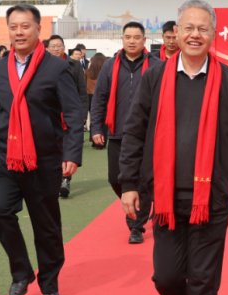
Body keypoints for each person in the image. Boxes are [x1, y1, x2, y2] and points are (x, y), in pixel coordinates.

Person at [117, 0, 228, 295]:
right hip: (166, 199)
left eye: (203, 28)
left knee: (204, 280)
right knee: (167, 278)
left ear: (214, 34)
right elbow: (135, 132)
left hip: (213, 197)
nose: (195, 35)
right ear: (176, 32)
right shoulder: (156, 77)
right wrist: (129, 184)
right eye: (189, 27)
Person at [0, 4, 84, 295]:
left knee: (45, 225)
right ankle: (22, 272)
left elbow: (73, 114)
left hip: (45, 159)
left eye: (25, 26)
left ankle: (49, 284)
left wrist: (72, 152)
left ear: (39, 29)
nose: (19, 32)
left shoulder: (56, 68)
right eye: (14, 27)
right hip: (6, 156)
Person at [90, 22, 160, 243]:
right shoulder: (110, 66)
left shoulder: (157, 66)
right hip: (117, 131)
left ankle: (136, 225)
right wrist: (96, 128)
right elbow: (99, 98)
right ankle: (134, 203)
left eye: (136, 37)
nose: (132, 41)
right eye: (128, 37)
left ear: (144, 40)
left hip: (148, 134)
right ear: (122, 39)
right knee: (115, 178)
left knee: (142, 180)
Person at [46, 36, 86, 198]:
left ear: (64, 47)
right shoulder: (42, 65)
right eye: (53, 46)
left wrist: (82, 114)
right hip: (48, 115)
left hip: (68, 114)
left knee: (66, 148)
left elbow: (82, 91)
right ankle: (52, 180)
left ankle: (65, 180)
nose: (56, 48)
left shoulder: (74, 65)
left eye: (59, 45)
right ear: (48, 48)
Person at [85, 52, 107, 146]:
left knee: (94, 117)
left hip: (90, 95)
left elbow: (85, 84)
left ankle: (93, 138)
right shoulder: (106, 71)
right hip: (103, 95)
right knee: (104, 118)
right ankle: (103, 140)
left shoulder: (87, 72)